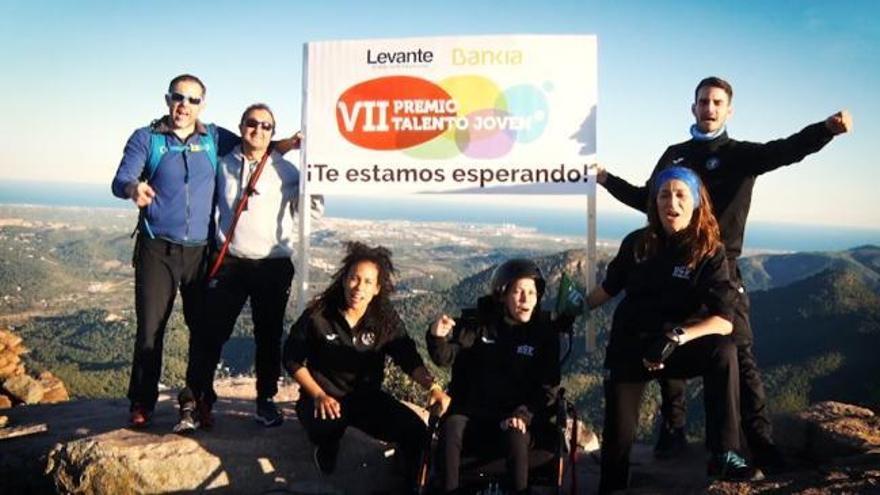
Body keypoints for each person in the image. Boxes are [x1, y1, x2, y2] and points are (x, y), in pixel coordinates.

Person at [597, 76, 853, 468]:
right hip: (674, 260)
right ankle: (674, 429)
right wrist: (606, 180)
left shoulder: (739, 155)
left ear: (728, 109)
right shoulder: (674, 154)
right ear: (693, 107)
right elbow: (649, 200)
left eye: (717, 102)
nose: (709, 108)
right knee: (666, 336)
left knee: (739, 352)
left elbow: (786, 150)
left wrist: (825, 131)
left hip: (721, 265)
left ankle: (758, 443)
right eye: (703, 101)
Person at [589, 167, 763, 494]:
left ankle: (724, 452)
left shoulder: (709, 250)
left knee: (724, 351)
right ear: (654, 202)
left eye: (681, 194)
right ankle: (612, 486)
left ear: (696, 203)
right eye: (663, 194)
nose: (672, 201)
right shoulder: (637, 244)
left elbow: (724, 320)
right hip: (631, 347)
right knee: (618, 441)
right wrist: (573, 309)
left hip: (678, 347)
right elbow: (609, 289)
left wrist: (676, 337)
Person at [174, 104, 324, 433]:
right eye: (252, 123)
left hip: (272, 264)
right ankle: (198, 397)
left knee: (268, 335)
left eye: (266, 126)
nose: (258, 129)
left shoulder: (286, 171)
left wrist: (313, 187)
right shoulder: (223, 164)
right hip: (230, 262)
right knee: (211, 331)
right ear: (241, 126)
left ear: (273, 131)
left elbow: (311, 213)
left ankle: (265, 401)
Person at [111, 74, 239, 427]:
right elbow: (121, 179)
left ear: (202, 104)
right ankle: (142, 402)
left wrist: (285, 144)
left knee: (203, 329)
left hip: (200, 252)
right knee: (151, 328)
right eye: (178, 97)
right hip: (157, 249)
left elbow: (253, 144)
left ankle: (199, 399)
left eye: (192, 100)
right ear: (168, 99)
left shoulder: (214, 137)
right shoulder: (147, 138)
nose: (184, 105)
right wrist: (133, 188)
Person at [283, 242, 451, 491]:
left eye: (368, 282)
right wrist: (317, 394)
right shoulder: (319, 314)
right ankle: (326, 448)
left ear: (377, 289)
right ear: (344, 279)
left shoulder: (384, 319)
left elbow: (408, 358)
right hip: (323, 396)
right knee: (327, 426)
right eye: (354, 278)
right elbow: (291, 358)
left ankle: (407, 480)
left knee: (415, 430)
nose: (358, 287)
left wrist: (434, 387)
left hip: (366, 398)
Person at [427, 259, 564, 494]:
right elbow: (445, 357)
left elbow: (548, 387)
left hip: (518, 416)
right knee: (452, 426)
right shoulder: (479, 325)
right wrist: (437, 337)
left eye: (532, 292)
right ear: (502, 295)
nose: (526, 299)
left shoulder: (544, 334)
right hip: (473, 415)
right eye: (519, 292)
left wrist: (526, 413)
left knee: (516, 432)